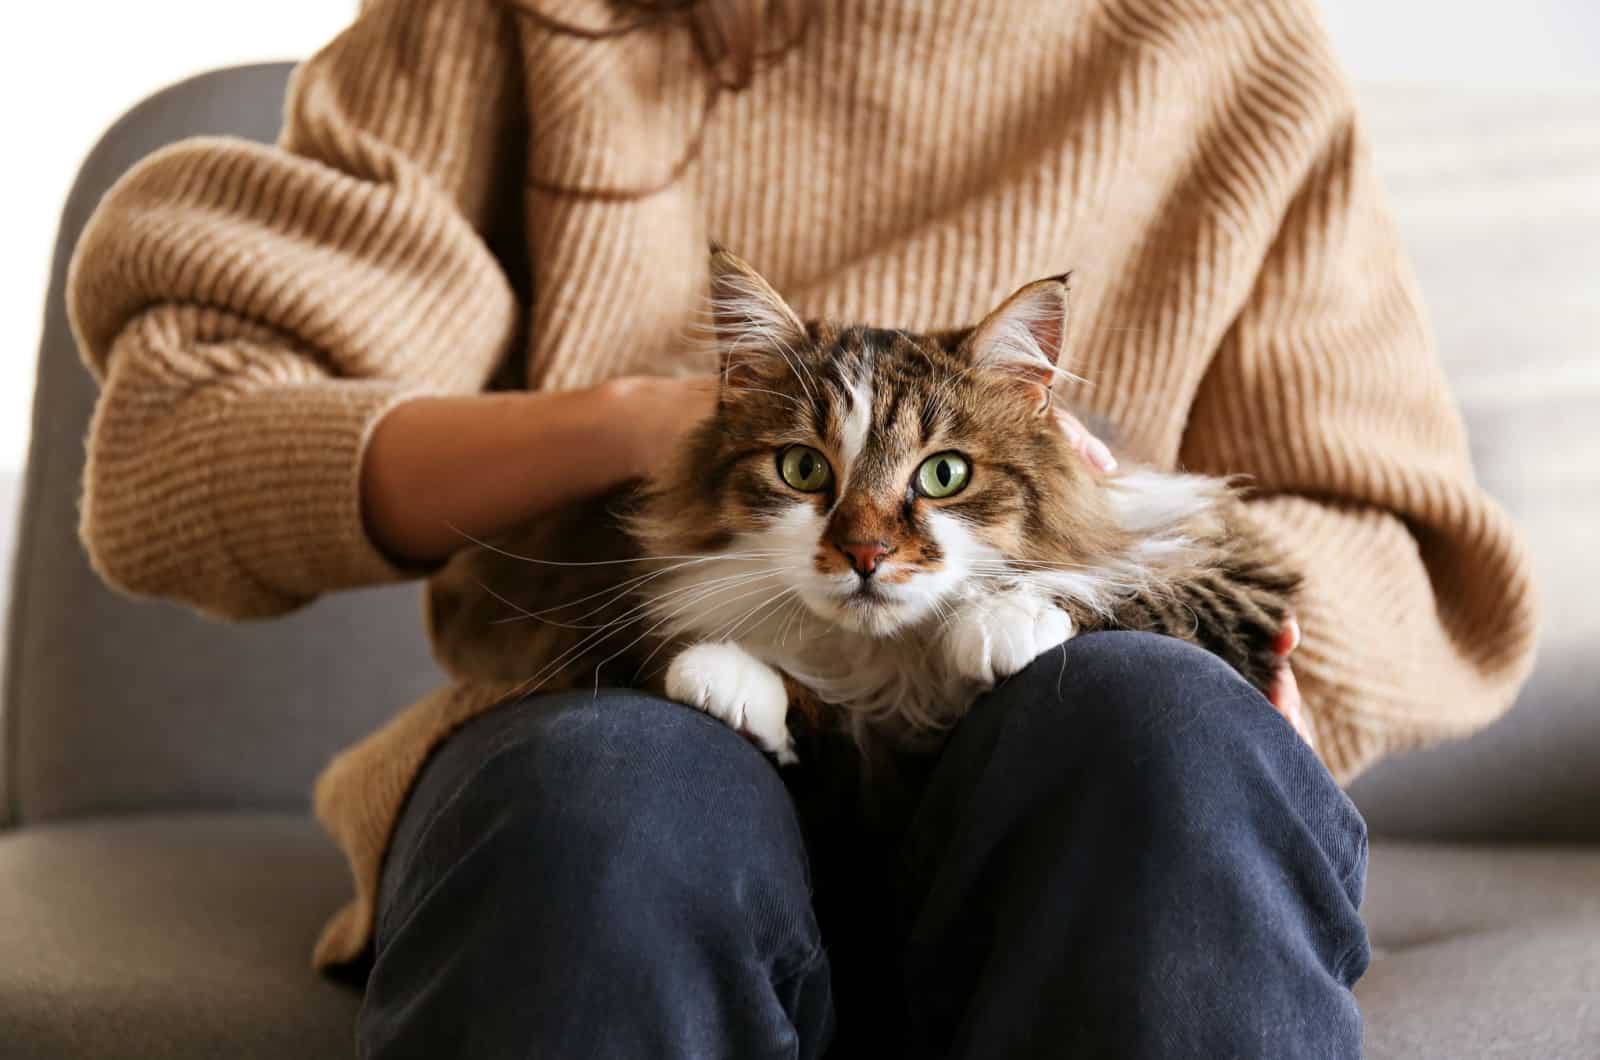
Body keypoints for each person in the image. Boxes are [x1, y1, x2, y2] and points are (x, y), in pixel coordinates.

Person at [66, 0, 1537, 1056]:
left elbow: (1407, 553)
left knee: (1163, 735)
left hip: (1079, 782)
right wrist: (645, 423)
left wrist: (1207, 628)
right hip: (645, 743)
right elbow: (176, 448)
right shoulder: (501, 24)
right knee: (603, 796)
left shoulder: (1234, 47)